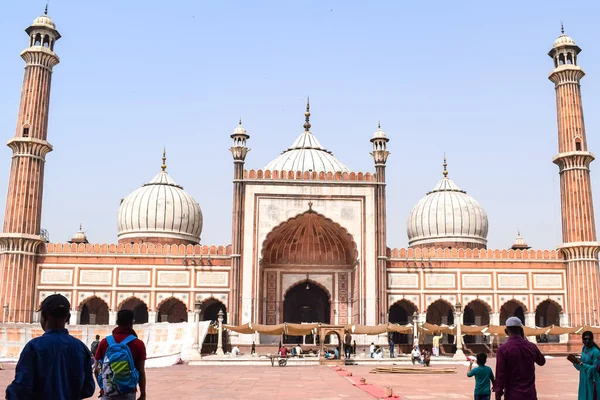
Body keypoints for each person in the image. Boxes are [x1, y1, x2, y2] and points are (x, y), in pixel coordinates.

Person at [6, 294, 95, 400]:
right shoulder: (80, 348)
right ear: (68, 317)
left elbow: (21, 388)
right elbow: (88, 389)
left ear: (43, 316)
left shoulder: (34, 347)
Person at [95, 309, 147, 400]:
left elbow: (96, 370)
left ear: (117, 322)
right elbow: (141, 372)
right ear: (132, 322)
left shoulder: (104, 342)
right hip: (128, 393)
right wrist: (143, 394)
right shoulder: (138, 343)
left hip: (107, 394)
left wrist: (104, 387)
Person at [493, 316, 546, 400]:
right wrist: (525, 340)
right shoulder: (531, 346)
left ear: (506, 331)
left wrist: (498, 394)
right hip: (530, 395)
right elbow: (541, 361)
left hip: (512, 395)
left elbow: (500, 374)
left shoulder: (503, 349)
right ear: (521, 330)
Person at [567, 331, 600, 400]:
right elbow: (582, 362)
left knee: (591, 396)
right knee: (583, 396)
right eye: (585, 339)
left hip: (592, 379)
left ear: (592, 339)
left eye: (589, 339)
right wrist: (575, 361)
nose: (587, 341)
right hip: (583, 378)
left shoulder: (596, 352)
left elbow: (596, 367)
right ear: (582, 340)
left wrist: (582, 364)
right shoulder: (584, 348)